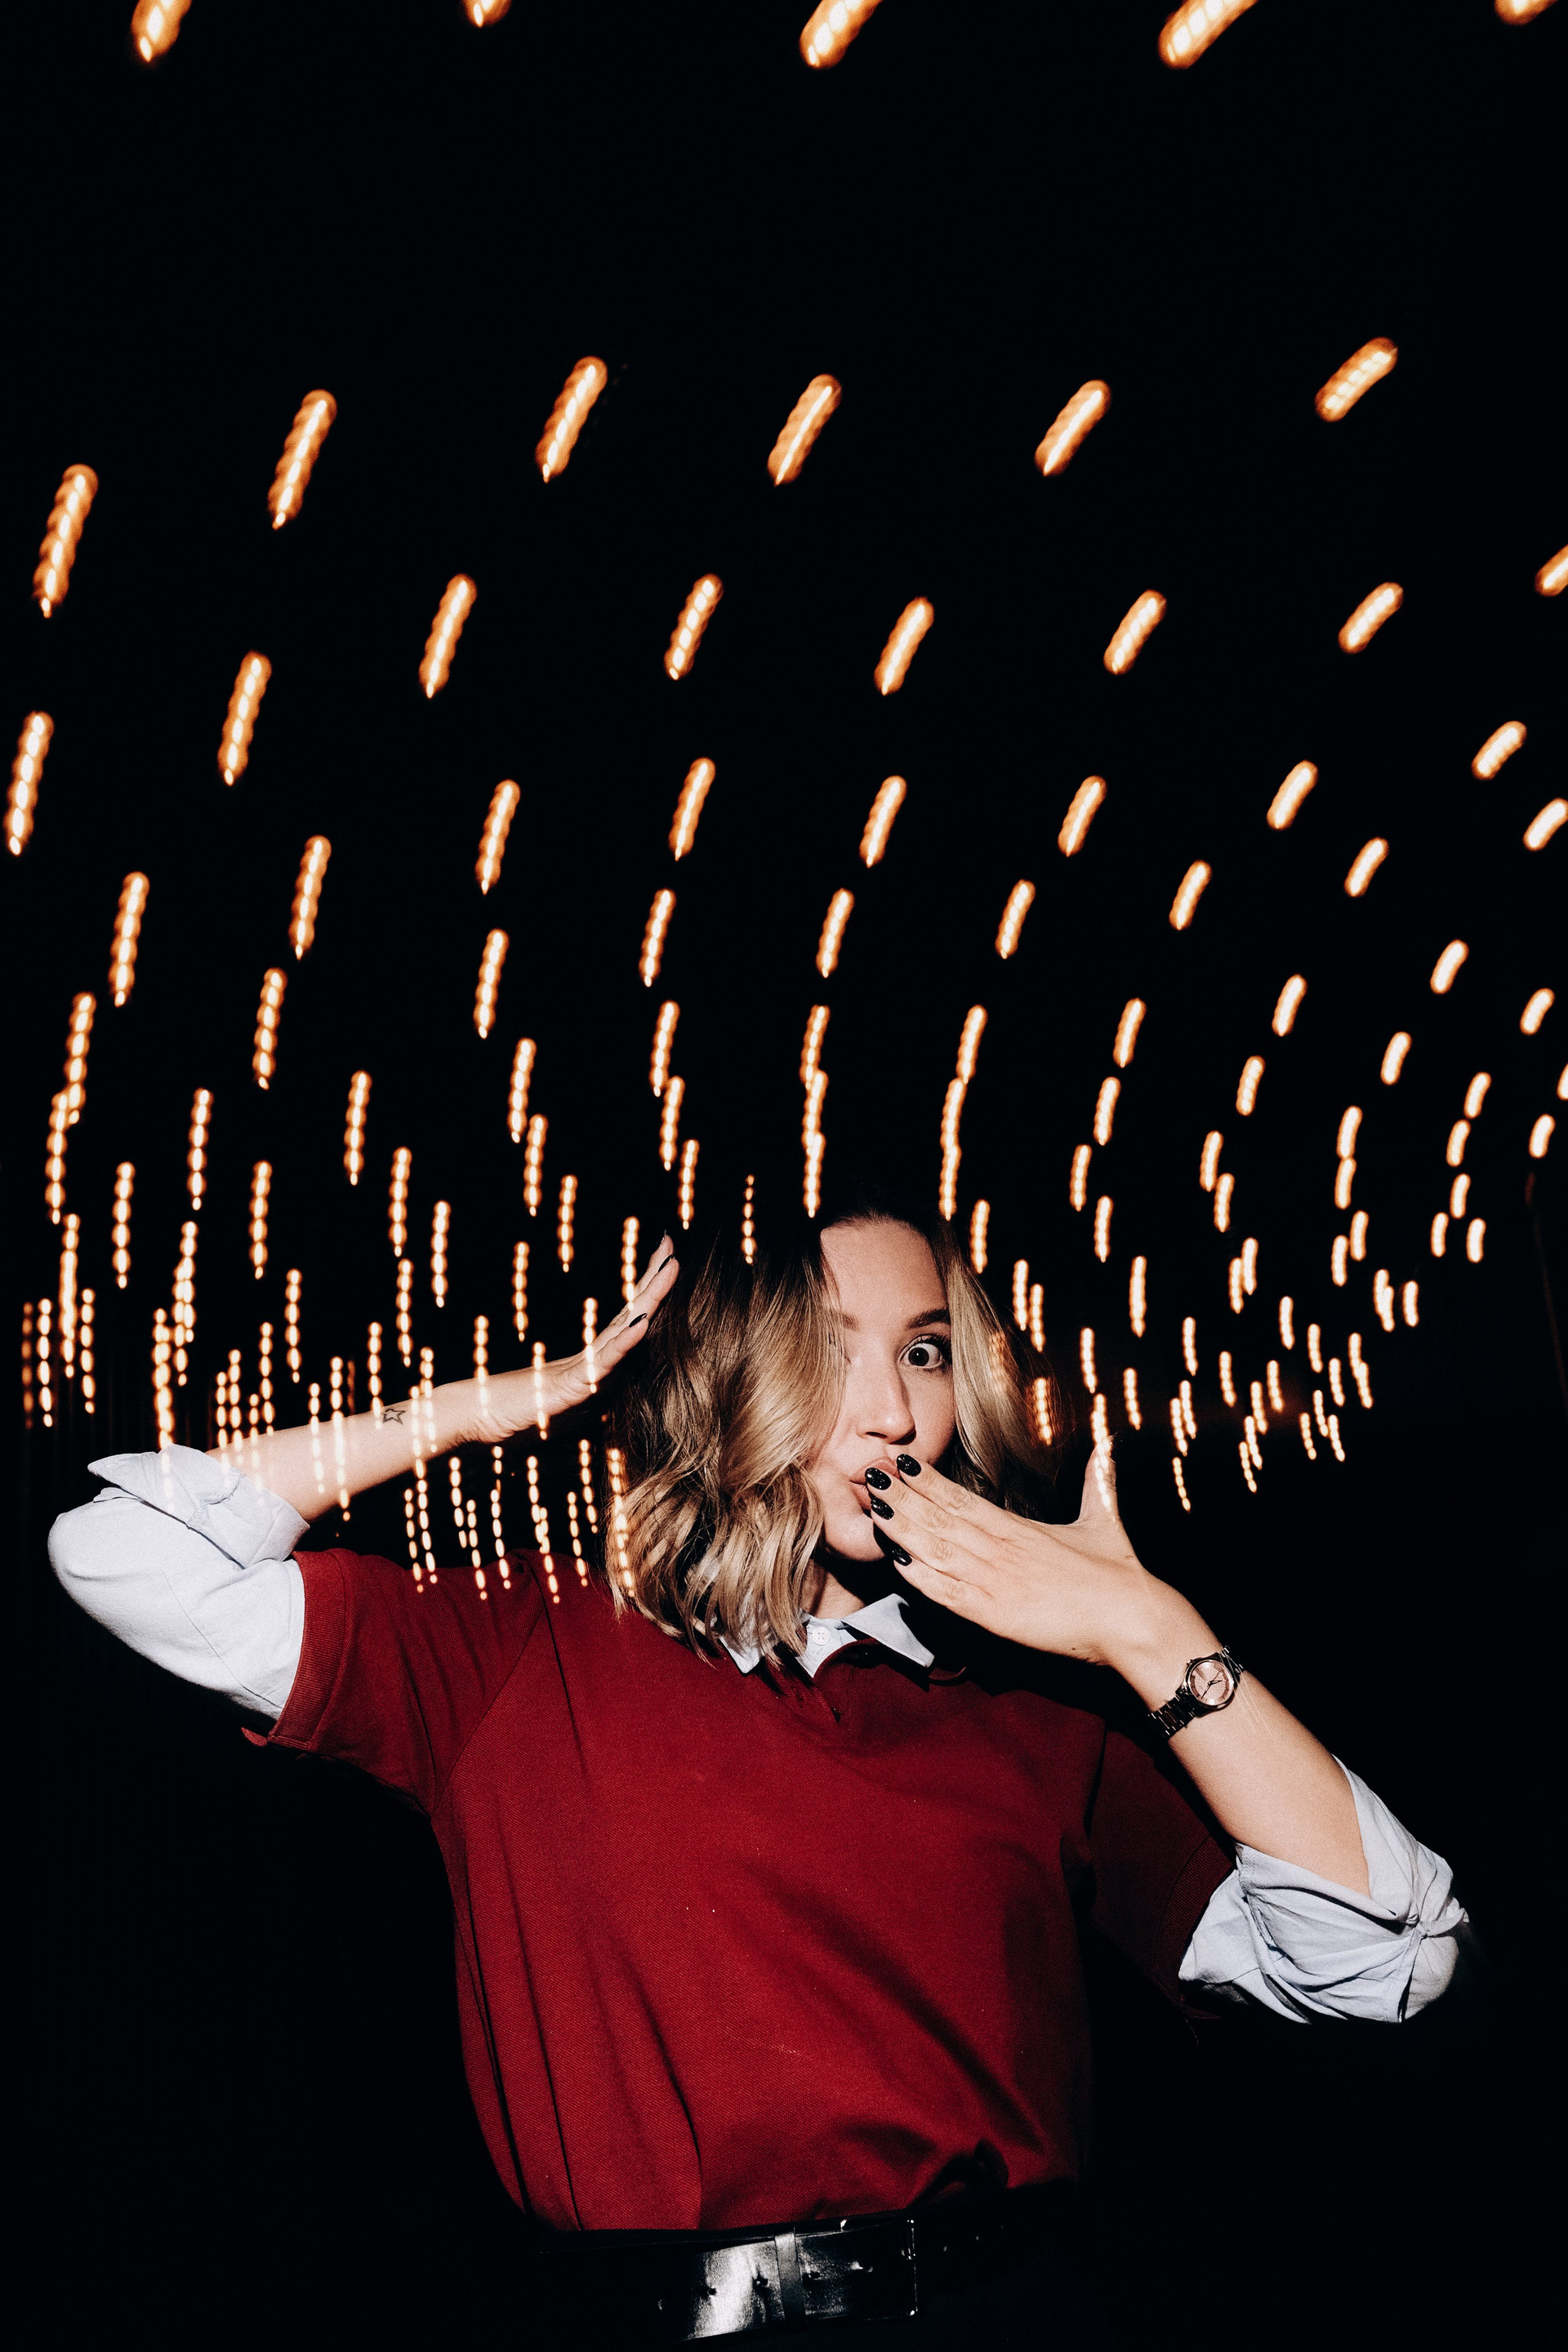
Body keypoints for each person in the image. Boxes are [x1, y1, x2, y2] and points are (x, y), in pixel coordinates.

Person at [50, 1190, 1467, 2346]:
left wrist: (1153, 1633)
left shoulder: (1034, 1709)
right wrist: (489, 1407)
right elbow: (124, 1552)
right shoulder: (517, 1647)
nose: (894, 1413)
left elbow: (1385, 1968)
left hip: (1002, 2316)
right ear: (729, 1370)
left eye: (924, 1352)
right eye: (831, 1351)